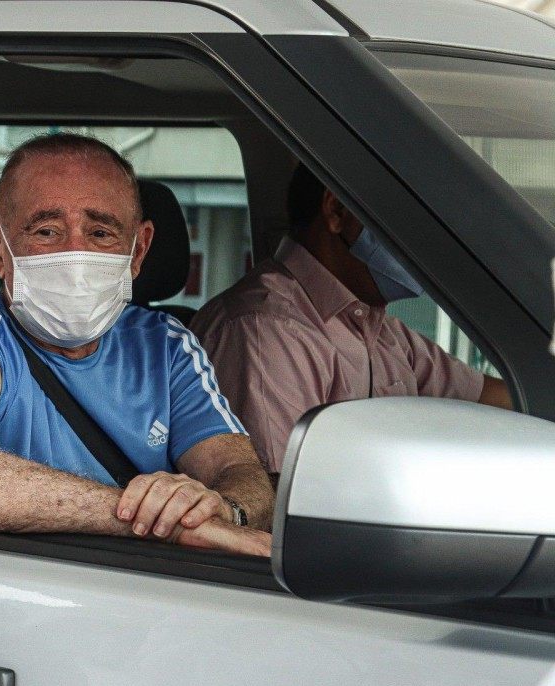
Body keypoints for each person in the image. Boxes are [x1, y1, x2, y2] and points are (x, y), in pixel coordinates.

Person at [0, 133, 273, 557]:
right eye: (46, 231)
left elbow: (239, 470)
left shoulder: (166, 345)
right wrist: (157, 520)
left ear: (139, 250)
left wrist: (225, 511)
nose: (76, 254)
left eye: (100, 233)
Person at [190, 163, 513, 479]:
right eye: (413, 222)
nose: (428, 245)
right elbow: (283, 499)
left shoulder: (380, 330)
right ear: (336, 212)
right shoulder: (265, 331)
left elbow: (500, 399)